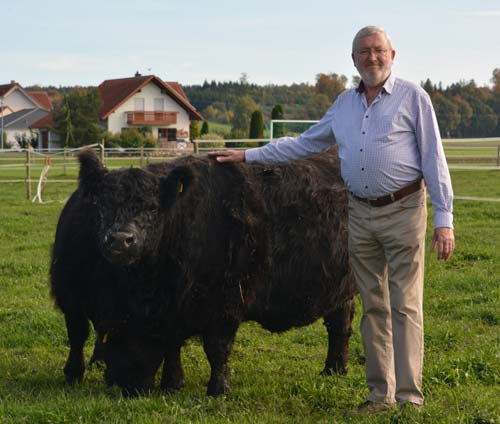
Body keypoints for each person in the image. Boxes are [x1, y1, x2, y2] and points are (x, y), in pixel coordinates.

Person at [208, 25, 455, 414]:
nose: (371, 58)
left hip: (404, 210)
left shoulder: (413, 98)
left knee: (404, 304)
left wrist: (444, 217)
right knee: (372, 305)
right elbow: (306, 143)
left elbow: (433, 158)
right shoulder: (344, 104)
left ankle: (410, 397)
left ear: (393, 55)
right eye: (363, 52)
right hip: (357, 212)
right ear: (353, 60)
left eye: (378, 51)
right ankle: (381, 395)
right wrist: (248, 156)